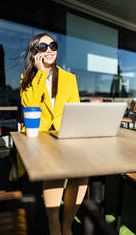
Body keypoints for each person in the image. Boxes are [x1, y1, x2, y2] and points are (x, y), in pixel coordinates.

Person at [20, 33, 88, 235]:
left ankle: (66, 224)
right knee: (55, 168)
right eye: (43, 46)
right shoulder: (28, 77)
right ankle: (54, 224)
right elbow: (29, 106)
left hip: (64, 134)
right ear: (35, 51)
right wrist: (40, 73)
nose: (49, 49)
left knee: (82, 172)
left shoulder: (69, 78)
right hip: (38, 137)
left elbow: (75, 108)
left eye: (53, 45)